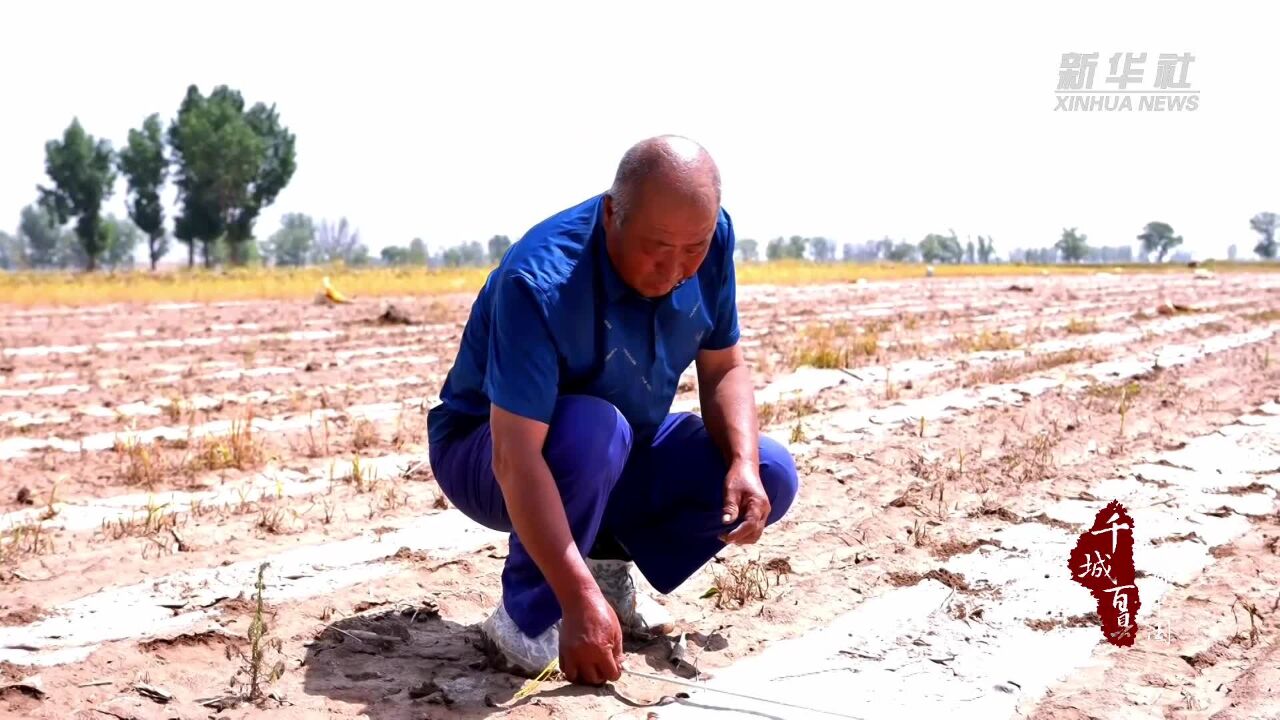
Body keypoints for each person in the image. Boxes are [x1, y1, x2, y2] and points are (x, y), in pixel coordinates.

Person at [425, 135, 799, 686]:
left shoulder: (711, 239)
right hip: (486, 452)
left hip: (616, 447)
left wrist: (740, 461)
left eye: (692, 248)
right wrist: (572, 601)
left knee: (769, 470)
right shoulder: (541, 280)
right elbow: (516, 457)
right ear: (610, 215)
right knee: (595, 429)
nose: (674, 268)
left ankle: (602, 570)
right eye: (656, 246)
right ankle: (527, 616)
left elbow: (723, 368)